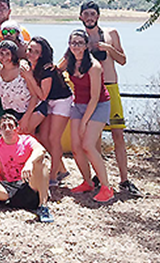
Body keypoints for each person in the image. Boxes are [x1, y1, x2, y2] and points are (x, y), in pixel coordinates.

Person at [79, 1, 142, 197]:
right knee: (94, 136)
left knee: (117, 135)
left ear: (97, 16)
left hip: (110, 87)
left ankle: (124, 179)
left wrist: (108, 49)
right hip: (90, 92)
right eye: (86, 14)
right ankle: (99, 177)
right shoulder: (79, 38)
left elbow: (123, 60)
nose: (90, 17)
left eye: (93, 14)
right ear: (81, 17)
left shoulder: (111, 33)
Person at [61, 29, 114, 203]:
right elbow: (55, 68)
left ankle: (106, 187)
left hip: (98, 105)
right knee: (76, 147)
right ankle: (87, 181)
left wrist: (84, 123)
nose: (76, 47)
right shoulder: (69, 61)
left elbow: (94, 97)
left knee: (88, 145)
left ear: (86, 46)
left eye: (79, 43)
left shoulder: (94, 66)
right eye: (73, 43)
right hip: (79, 104)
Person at [23, 37, 73, 186]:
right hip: (47, 102)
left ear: (42, 54)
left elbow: (42, 94)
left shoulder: (46, 69)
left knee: (53, 138)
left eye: (36, 52)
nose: (31, 54)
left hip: (61, 101)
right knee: (42, 137)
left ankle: (53, 176)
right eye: (30, 50)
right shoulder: (29, 65)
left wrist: (29, 77)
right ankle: (62, 169)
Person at [0, 40, 42, 134]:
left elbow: (34, 96)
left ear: (13, 55)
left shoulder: (22, 70)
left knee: (26, 136)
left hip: (31, 109)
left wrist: (26, 118)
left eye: (7, 54)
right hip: (11, 110)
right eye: (1, 53)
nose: (4, 57)